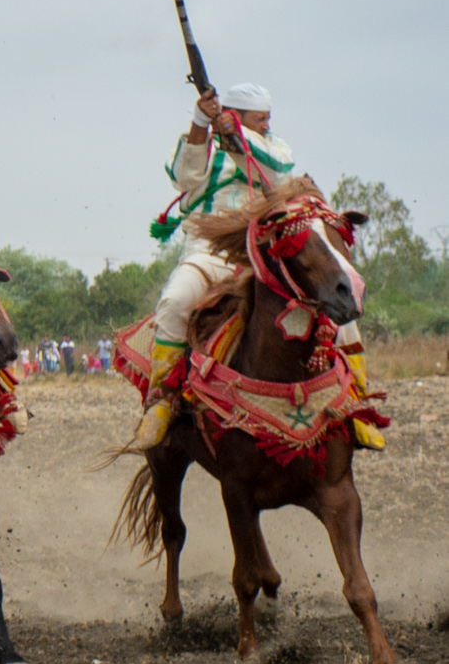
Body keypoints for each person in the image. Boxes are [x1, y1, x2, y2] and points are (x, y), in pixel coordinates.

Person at [134, 84, 375, 449]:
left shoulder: (272, 146)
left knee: (337, 303)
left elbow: (279, 171)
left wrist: (238, 132)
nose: (266, 124)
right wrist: (203, 120)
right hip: (207, 254)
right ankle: (162, 401)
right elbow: (183, 176)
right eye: (259, 119)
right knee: (174, 302)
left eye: (266, 119)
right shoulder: (204, 147)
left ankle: (355, 399)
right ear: (237, 113)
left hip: (263, 254)